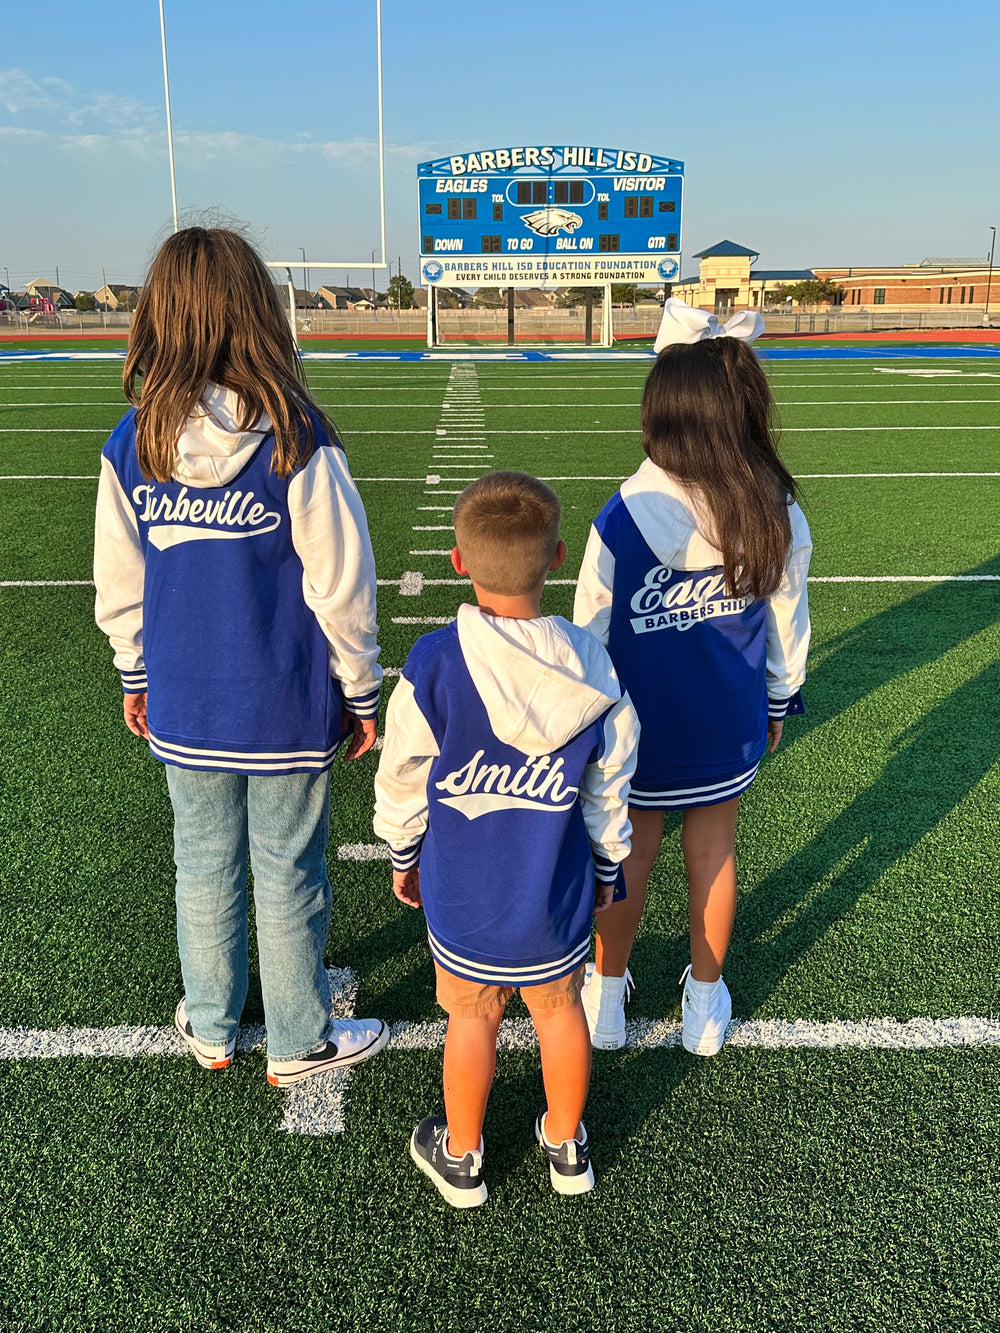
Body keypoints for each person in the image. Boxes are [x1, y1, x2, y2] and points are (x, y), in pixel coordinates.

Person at [93, 226, 388, 1086]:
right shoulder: (296, 435)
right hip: (286, 703)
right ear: (256, 313)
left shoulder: (134, 442)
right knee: (287, 868)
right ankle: (298, 1038)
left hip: (186, 701)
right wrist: (362, 691)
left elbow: (120, 584)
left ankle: (215, 1024)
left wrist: (133, 671)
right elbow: (342, 582)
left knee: (203, 863)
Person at [374, 472, 638, 1207]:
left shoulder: (433, 663)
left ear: (459, 563)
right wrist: (609, 861)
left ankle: (462, 1155)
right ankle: (566, 1142)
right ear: (557, 557)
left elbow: (401, 770)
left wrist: (402, 849)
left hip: (464, 896)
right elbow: (611, 780)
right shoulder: (594, 666)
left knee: (472, 1015)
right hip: (550, 897)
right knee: (559, 1012)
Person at [573, 299, 812, 1056]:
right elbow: (787, 621)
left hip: (638, 731)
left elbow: (588, 633)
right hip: (725, 722)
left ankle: (606, 1001)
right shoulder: (771, 505)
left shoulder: (622, 513)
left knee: (627, 855)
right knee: (714, 856)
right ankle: (704, 1006)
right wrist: (780, 696)